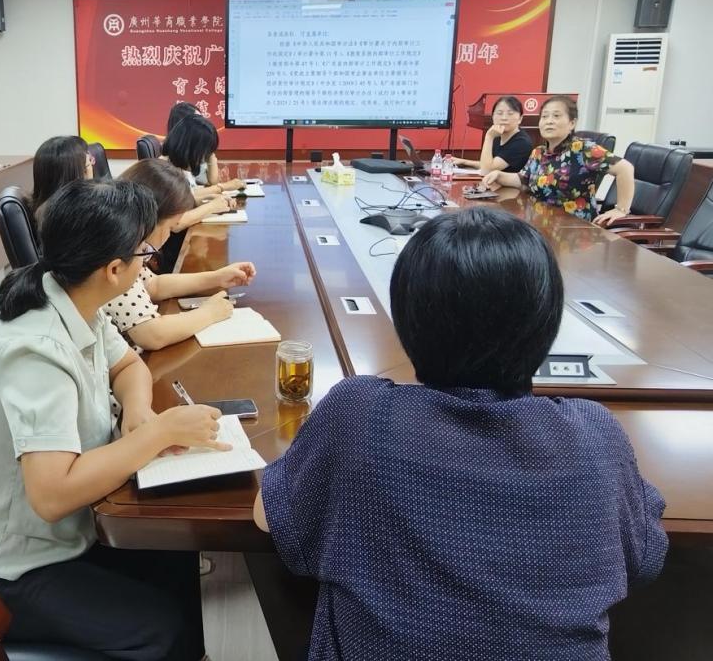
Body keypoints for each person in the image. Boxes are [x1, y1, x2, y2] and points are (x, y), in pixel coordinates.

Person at [254, 207, 667, 661]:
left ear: (408, 319)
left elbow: (269, 516)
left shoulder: (359, 415)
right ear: (547, 321)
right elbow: (642, 558)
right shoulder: (595, 436)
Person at [0, 179, 226, 661]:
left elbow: (129, 366)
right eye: (143, 253)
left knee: (180, 564)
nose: (147, 263)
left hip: (71, 531)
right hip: (8, 566)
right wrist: (158, 433)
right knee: (163, 628)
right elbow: (52, 496)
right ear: (114, 269)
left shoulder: (73, 296)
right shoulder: (36, 348)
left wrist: (138, 413)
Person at [104, 158, 257, 351]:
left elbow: (153, 284)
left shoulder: (129, 245)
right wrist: (209, 313)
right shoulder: (117, 259)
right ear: (150, 219)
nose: (170, 234)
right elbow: (152, 334)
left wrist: (217, 277)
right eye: (170, 227)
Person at [482, 95, 635, 225]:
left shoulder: (583, 149)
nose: (549, 121)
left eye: (556, 116)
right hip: (541, 221)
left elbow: (625, 168)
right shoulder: (539, 152)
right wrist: (499, 175)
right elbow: (524, 180)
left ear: (572, 123)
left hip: (574, 228)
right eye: (544, 116)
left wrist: (621, 209)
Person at [163, 112, 244, 198]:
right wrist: (223, 187)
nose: (203, 160)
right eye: (204, 153)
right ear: (189, 147)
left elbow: (192, 194)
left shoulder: (183, 169)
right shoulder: (164, 171)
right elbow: (185, 197)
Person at [26, 135, 94, 229]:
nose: (91, 169)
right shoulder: (75, 218)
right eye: (88, 165)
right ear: (73, 176)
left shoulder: (45, 210)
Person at [454, 95, 533, 172]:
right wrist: (464, 162)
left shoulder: (522, 142)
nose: (504, 118)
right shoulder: (497, 135)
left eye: (510, 114)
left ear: (520, 118)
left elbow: (486, 170)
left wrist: (489, 137)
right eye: (499, 113)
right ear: (492, 117)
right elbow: (487, 164)